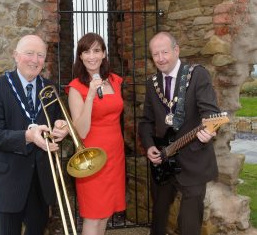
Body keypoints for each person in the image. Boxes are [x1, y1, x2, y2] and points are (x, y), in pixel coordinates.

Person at [0, 35, 68, 235]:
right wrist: (28, 136)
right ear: (16, 56)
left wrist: (61, 127)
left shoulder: (49, 88)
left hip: (40, 183)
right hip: (6, 184)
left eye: (40, 55)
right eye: (29, 53)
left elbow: (59, 120)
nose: (34, 60)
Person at [138, 31, 220, 235]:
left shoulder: (197, 74)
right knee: (158, 217)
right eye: (155, 54)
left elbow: (211, 112)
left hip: (194, 158)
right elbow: (146, 121)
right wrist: (149, 146)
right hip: (163, 160)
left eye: (165, 52)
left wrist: (209, 131)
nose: (160, 58)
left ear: (177, 50)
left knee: (190, 224)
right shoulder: (152, 83)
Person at [66, 33, 125, 235]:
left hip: (115, 155)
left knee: (106, 214)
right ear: (80, 56)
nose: (92, 56)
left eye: (97, 50)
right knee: (93, 215)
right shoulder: (75, 88)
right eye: (86, 51)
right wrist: (90, 95)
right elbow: (81, 131)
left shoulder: (115, 81)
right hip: (92, 157)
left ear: (104, 54)